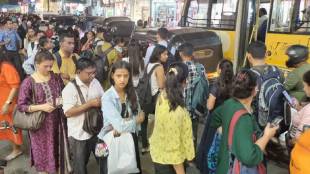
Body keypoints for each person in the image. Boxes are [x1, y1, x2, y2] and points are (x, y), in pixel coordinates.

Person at [210, 69, 279, 174]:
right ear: (255, 89)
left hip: (223, 163)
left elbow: (214, 118)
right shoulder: (243, 118)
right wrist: (267, 136)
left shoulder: (229, 103)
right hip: (232, 169)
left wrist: (227, 133)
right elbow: (249, 157)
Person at [17, 50, 70, 174]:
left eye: (50, 66)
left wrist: (60, 101)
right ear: (36, 64)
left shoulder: (56, 77)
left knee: (57, 152)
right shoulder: (29, 82)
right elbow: (21, 106)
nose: (49, 68)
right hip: (40, 125)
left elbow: (62, 93)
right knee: (43, 154)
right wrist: (41, 107)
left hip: (58, 122)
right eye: (45, 66)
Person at [97, 60, 145, 174]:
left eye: (126, 76)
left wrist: (127, 121)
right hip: (107, 139)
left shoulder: (132, 93)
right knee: (108, 169)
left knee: (131, 168)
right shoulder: (107, 97)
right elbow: (121, 125)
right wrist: (136, 120)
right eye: (119, 76)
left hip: (129, 138)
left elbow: (137, 114)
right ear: (112, 75)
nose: (122, 79)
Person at [149, 62, 194, 174]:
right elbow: (173, 148)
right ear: (184, 82)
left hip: (159, 153)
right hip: (171, 164)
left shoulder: (162, 96)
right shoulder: (177, 111)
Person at [62, 58, 104, 174]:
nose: (92, 76)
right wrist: (89, 104)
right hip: (78, 134)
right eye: (89, 73)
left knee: (103, 158)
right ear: (78, 72)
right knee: (80, 165)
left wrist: (102, 102)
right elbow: (68, 112)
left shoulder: (95, 82)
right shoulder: (70, 89)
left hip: (97, 131)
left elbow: (103, 97)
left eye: (94, 72)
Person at [179, 42, 206, 150]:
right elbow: (205, 85)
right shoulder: (201, 67)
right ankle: (192, 156)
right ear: (193, 53)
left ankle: (182, 156)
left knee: (181, 133)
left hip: (181, 108)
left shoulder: (179, 68)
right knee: (193, 133)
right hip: (195, 107)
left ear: (181, 54)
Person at [142, 44, 168, 153]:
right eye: (165, 54)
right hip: (155, 99)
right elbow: (161, 85)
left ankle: (144, 146)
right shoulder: (159, 67)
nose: (167, 56)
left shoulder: (149, 64)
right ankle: (157, 144)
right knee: (160, 122)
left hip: (145, 98)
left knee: (144, 123)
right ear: (158, 55)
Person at [0, 50, 23, 161]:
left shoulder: (6, 66)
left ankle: (17, 149)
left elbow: (15, 86)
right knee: (5, 126)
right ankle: (14, 147)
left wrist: (7, 103)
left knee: (11, 126)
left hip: (8, 103)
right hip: (2, 103)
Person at [288, 70, 310, 142]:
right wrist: (299, 108)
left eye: (305, 86)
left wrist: (290, 142)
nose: (304, 89)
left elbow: (300, 136)